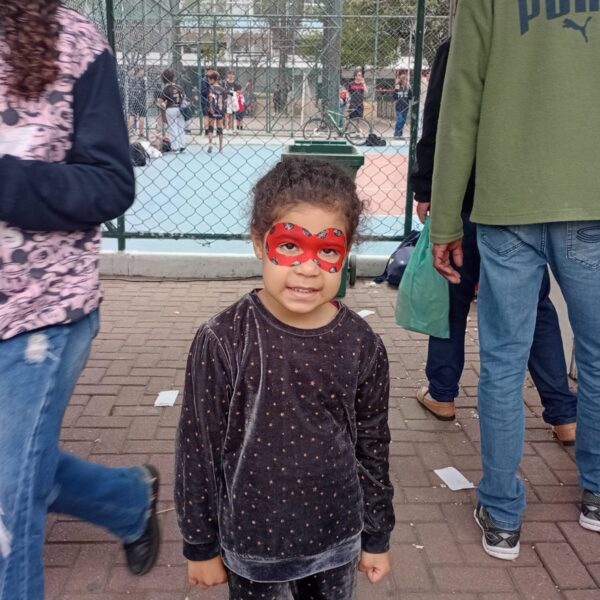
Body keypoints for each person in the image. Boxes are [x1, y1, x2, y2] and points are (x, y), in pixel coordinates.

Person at [175, 158, 395, 598]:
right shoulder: (223, 339)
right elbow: (198, 447)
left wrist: (377, 536)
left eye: (327, 250)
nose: (308, 268)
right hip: (255, 543)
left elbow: (373, 444)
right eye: (290, 245)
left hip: (336, 540)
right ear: (259, 242)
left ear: (346, 251)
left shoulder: (362, 343)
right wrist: (200, 544)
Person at [0, 2, 161, 598]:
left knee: (8, 505)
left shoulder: (73, 40)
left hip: (37, 310)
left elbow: (111, 181)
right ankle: (127, 499)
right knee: (18, 469)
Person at [430, 0, 600, 561]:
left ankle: (502, 515)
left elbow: (460, 106)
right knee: (597, 357)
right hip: (590, 198)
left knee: (503, 362)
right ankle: (597, 494)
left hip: (506, 203)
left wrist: (445, 219)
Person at [411, 38, 577, 444]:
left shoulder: (464, 45)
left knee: (451, 294)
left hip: (468, 196)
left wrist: (426, 187)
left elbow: (440, 122)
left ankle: (443, 393)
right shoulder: (543, 44)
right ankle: (563, 414)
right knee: (533, 306)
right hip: (525, 201)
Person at [157, 68, 186, 152]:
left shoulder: (167, 89)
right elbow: (184, 97)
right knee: (181, 127)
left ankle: (175, 147)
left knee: (173, 128)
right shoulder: (179, 87)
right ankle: (182, 145)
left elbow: (160, 101)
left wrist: (163, 104)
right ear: (173, 77)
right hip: (181, 109)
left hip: (171, 108)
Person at [206, 69, 224, 153]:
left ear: (213, 79)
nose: (208, 80)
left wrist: (210, 107)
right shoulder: (222, 89)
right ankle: (221, 146)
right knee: (220, 127)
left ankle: (210, 144)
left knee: (211, 127)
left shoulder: (211, 88)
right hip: (220, 109)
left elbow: (210, 98)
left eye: (210, 79)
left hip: (212, 109)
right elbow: (223, 100)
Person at [127, 67, 147, 136]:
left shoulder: (131, 79)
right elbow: (145, 89)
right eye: (142, 71)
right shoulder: (143, 79)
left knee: (133, 115)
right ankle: (140, 132)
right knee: (137, 115)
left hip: (133, 98)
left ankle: (131, 131)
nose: (143, 72)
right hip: (140, 98)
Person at [393, 74, 412, 139]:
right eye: (404, 79)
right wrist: (396, 90)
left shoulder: (407, 88)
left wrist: (410, 89)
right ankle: (396, 134)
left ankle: (400, 134)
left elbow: (410, 97)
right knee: (400, 120)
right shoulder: (398, 87)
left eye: (406, 80)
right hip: (399, 107)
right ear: (401, 80)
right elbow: (394, 97)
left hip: (405, 106)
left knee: (403, 121)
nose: (405, 81)